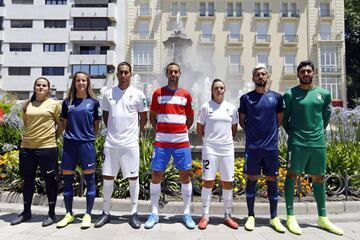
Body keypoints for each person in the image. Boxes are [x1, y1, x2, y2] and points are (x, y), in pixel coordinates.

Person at [283, 60, 343, 235]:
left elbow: (325, 118)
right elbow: (285, 121)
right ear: (298, 74)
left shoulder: (324, 94)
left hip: (318, 143)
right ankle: (290, 216)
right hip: (297, 143)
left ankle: (322, 217)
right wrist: (295, 135)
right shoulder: (290, 94)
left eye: (309, 71)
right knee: (292, 175)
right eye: (303, 71)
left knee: (319, 178)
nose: (306, 74)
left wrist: (315, 133)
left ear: (313, 73)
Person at [94, 62, 148, 229]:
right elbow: (105, 116)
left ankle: (133, 213)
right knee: (108, 177)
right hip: (111, 143)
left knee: (133, 178)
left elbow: (144, 117)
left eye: (126, 72)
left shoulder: (139, 94)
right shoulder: (108, 94)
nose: (123, 75)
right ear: (117, 75)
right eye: (121, 72)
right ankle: (106, 212)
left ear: (131, 74)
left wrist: (136, 134)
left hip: (130, 144)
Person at [144, 62, 195, 229]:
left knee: (185, 176)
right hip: (162, 142)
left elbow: (190, 118)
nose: (173, 74)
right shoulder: (158, 93)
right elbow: (152, 115)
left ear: (179, 74)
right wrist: (159, 130)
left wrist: (181, 131)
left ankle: (187, 213)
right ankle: (154, 213)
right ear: (167, 74)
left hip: (181, 142)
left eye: (176, 71)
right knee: (156, 174)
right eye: (170, 71)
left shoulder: (186, 95)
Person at [239, 64, 286, 233]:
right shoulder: (246, 98)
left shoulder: (277, 98)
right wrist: (254, 134)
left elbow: (279, 120)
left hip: (271, 147)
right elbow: (242, 121)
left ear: (268, 77)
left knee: (272, 179)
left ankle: (274, 217)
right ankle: (251, 215)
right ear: (253, 78)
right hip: (252, 147)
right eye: (257, 74)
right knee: (251, 178)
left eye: (263, 74)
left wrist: (268, 134)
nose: (260, 77)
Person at [10, 77, 62, 227]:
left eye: (44, 85)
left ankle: (51, 214)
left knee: (50, 180)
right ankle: (26, 212)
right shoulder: (27, 104)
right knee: (28, 180)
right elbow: (27, 123)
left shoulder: (54, 104)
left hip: (47, 148)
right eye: (38, 85)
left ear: (48, 89)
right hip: (27, 148)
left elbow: (61, 125)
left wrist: (52, 138)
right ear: (34, 87)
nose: (41, 87)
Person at [57, 71, 101, 229]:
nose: (81, 83)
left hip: (86, 145)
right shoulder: (67, 102)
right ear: (74, 83)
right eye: (78, 80)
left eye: (84, 80)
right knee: (67, 180)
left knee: (90, 180)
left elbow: (97, 124)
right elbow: (64, 123)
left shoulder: (94, 103)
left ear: (88, 83)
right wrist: (71, 135)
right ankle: (69, 214)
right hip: (69, 144)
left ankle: (88, 214)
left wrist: (89, 137)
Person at [197, 79, 239, 230]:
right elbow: (199, 128)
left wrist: (225, 141)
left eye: (221, 88)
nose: (219, 90)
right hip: (210, 149)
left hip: (227, 149)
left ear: (224, 90)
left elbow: (234, 129)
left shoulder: (231, 108)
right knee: (208, 181)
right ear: (212, 90)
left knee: (228, 182)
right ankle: (205, 216)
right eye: (216, 88)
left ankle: (228, 216)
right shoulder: (205, 107)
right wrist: (208, 141)